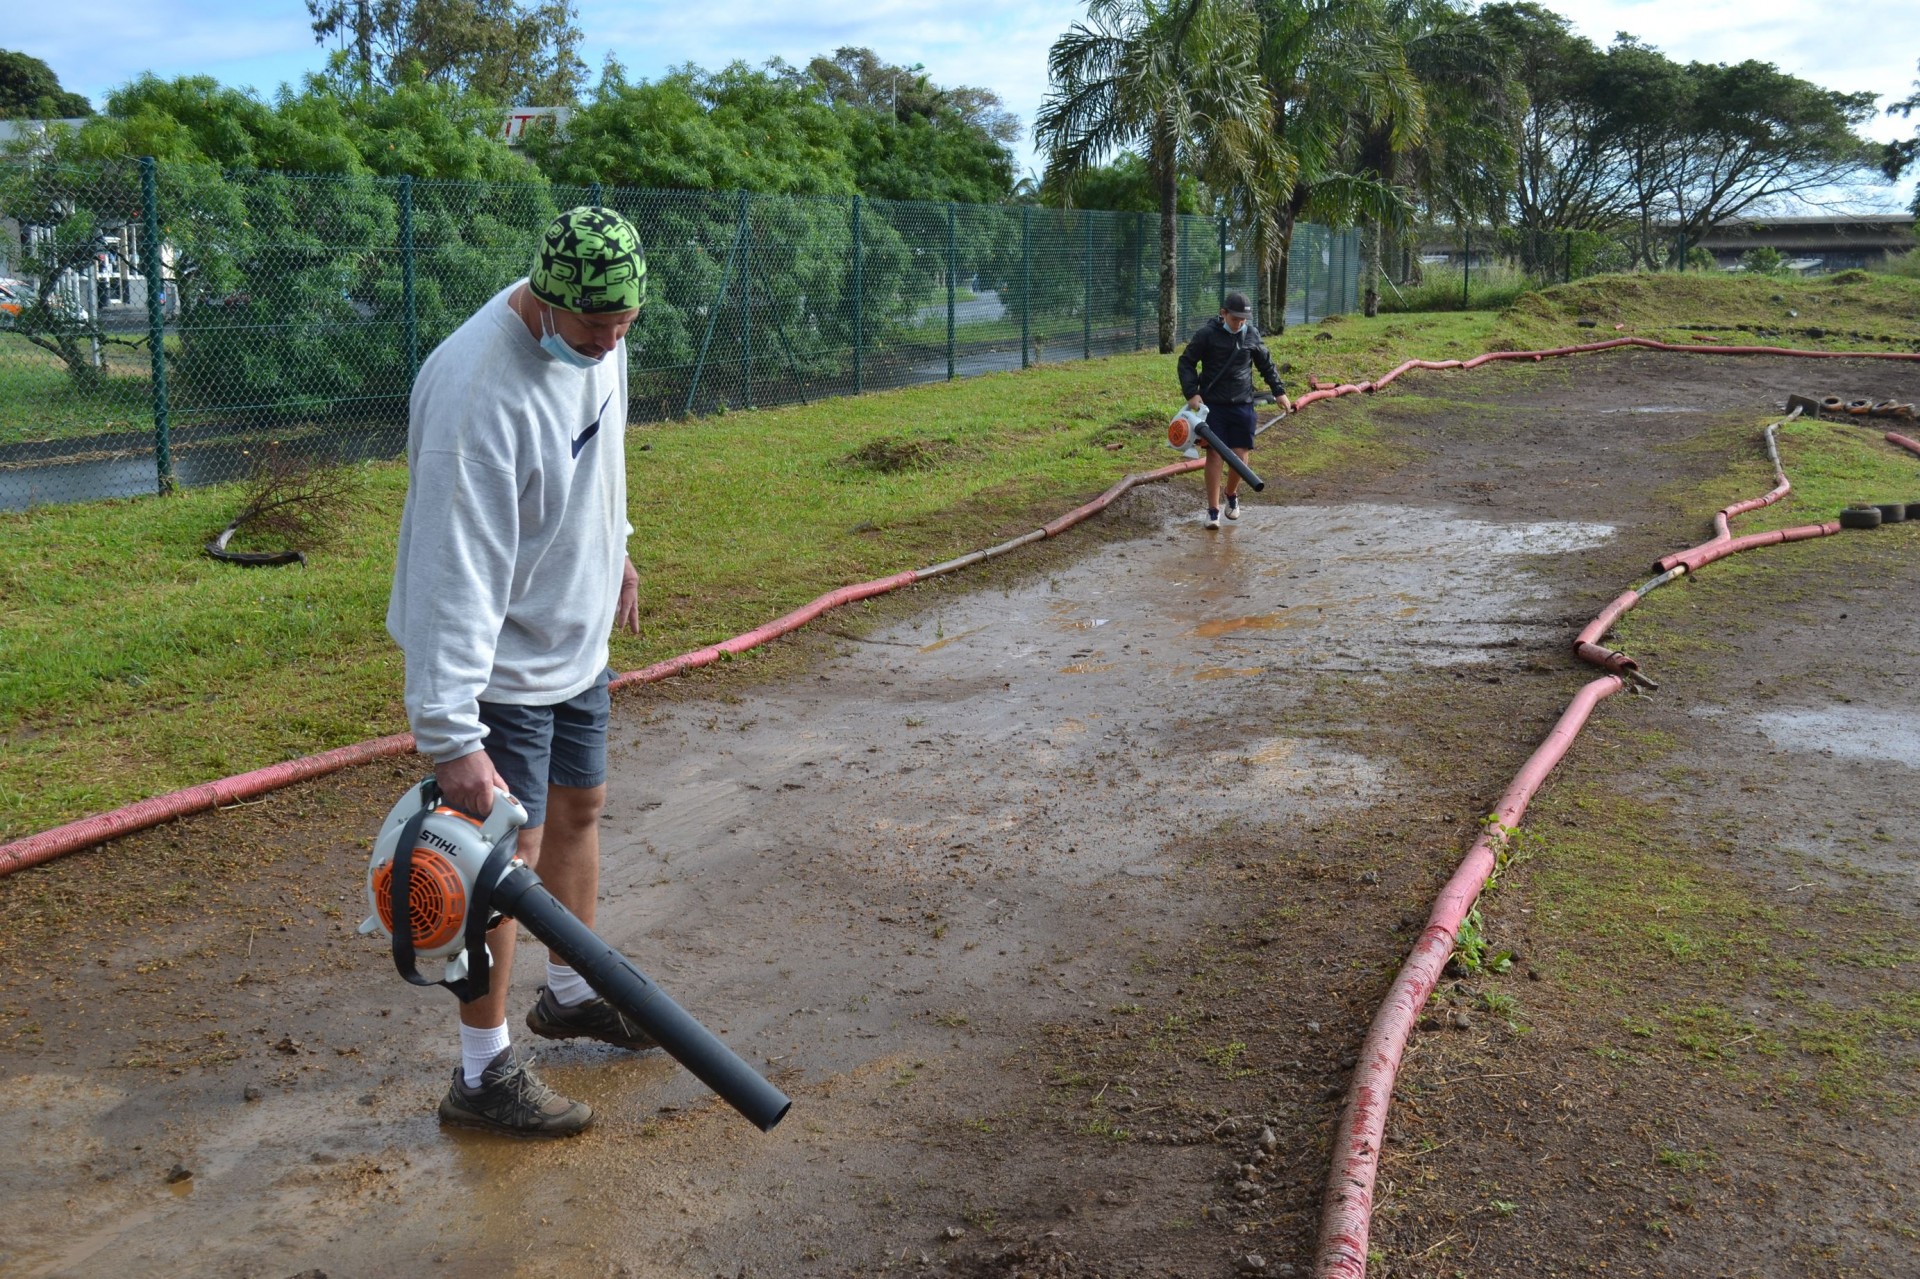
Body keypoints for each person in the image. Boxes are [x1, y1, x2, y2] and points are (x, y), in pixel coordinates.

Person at [387, 206, 651, 1138]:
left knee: (580, 809)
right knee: (500, 865)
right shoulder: (477, 394)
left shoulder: (600, 334)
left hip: (573, 637)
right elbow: (449, 572)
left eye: (624, 328)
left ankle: (572, 991)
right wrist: (451, 733)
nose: (610, 345)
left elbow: (599, 458)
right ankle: (482, 1069)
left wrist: (615, 548)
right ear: (545, 302)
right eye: (595, 330)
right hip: (496, 661)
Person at [1176, 290, 1292, 529]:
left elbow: (1266, 364)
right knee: (1215, 455)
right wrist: (1192, 393)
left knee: (1240, 457)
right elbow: (1186, 361)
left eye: (1243, 320)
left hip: (1242, 405)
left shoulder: (1251, 335)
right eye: (1235, 319)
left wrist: (1279, 391)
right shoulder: (1207, 335)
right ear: (1223, 314)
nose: (1239, 324)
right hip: (1213, 406)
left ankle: (1231, 494)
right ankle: (1212, 510)